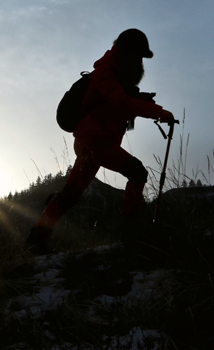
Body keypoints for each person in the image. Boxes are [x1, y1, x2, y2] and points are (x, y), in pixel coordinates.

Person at [26, 29, 175, 253]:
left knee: (71, 195)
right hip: (96, 142)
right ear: (127, 52)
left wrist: (143, 99)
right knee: (137, 173)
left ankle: (35, 239)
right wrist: (159, 112)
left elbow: (117, 98)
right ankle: (130, 232)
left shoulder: (116, 75)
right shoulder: (105, 73)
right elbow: (121, 102)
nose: (140, 61)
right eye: (138, 55)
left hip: (93, 141)